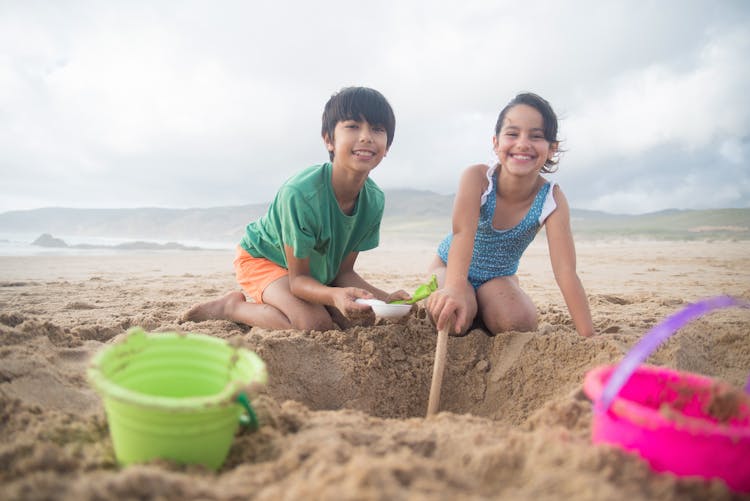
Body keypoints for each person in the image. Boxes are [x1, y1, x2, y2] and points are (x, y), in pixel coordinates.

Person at [182, 86, 409, 331]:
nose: (366, 136)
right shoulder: (301, 194)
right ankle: (231, 307)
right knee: (314, 324)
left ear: (386, 147)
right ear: (328, 139)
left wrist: (386, 299)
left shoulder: (373, 200)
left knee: (356, 319)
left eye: (377, 129)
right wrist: (333, 297)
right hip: (264, 260)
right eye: (353, 126)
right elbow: (299, 281)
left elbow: (343, 273)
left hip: (310, 273)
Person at [426, 92, 594, 337]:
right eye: (513, 134)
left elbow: (565, 271)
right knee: (453, 320)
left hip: (497, 279)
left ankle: (484, 302)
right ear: (496, 143)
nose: (523, 143)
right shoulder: (477, 179)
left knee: (519, 322)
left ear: (551, 149)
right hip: (450, 268)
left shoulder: (551, 199)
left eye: (536, 136)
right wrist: (453, 288)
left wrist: (588, 335)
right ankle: (468, 301)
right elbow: (463, 233)